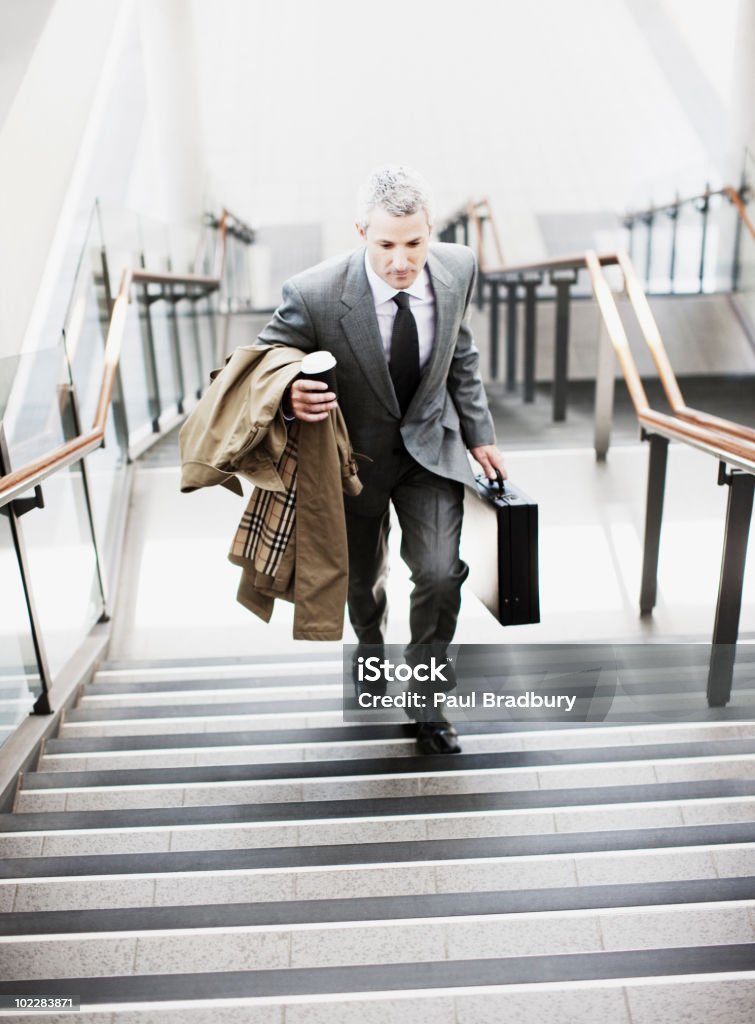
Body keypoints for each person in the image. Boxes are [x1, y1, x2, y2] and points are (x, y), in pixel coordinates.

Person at [257, 165, 506, 754]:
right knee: (363, 584)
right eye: (386, 244)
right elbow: (262, 364)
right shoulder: (314, 293)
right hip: (353, 462)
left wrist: (479, 429)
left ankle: (428, 703)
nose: (402, 260)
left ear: (430, 231)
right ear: (361, 231)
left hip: (430, 454)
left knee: (442, 575)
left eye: (415, 242)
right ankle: (370, 652)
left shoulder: (459, 268)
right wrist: (290, 391)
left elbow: (459, 350)